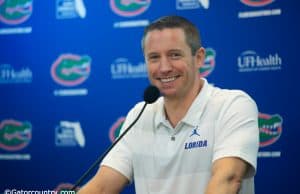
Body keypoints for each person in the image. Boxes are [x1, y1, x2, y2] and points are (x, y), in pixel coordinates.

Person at [78, 15, 259, 194]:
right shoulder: (139, 115)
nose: (164, 68)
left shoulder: (232, 105)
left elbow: (227, 181)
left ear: (199, 58)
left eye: (174, 55)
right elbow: (101, 187)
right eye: (154, 57)